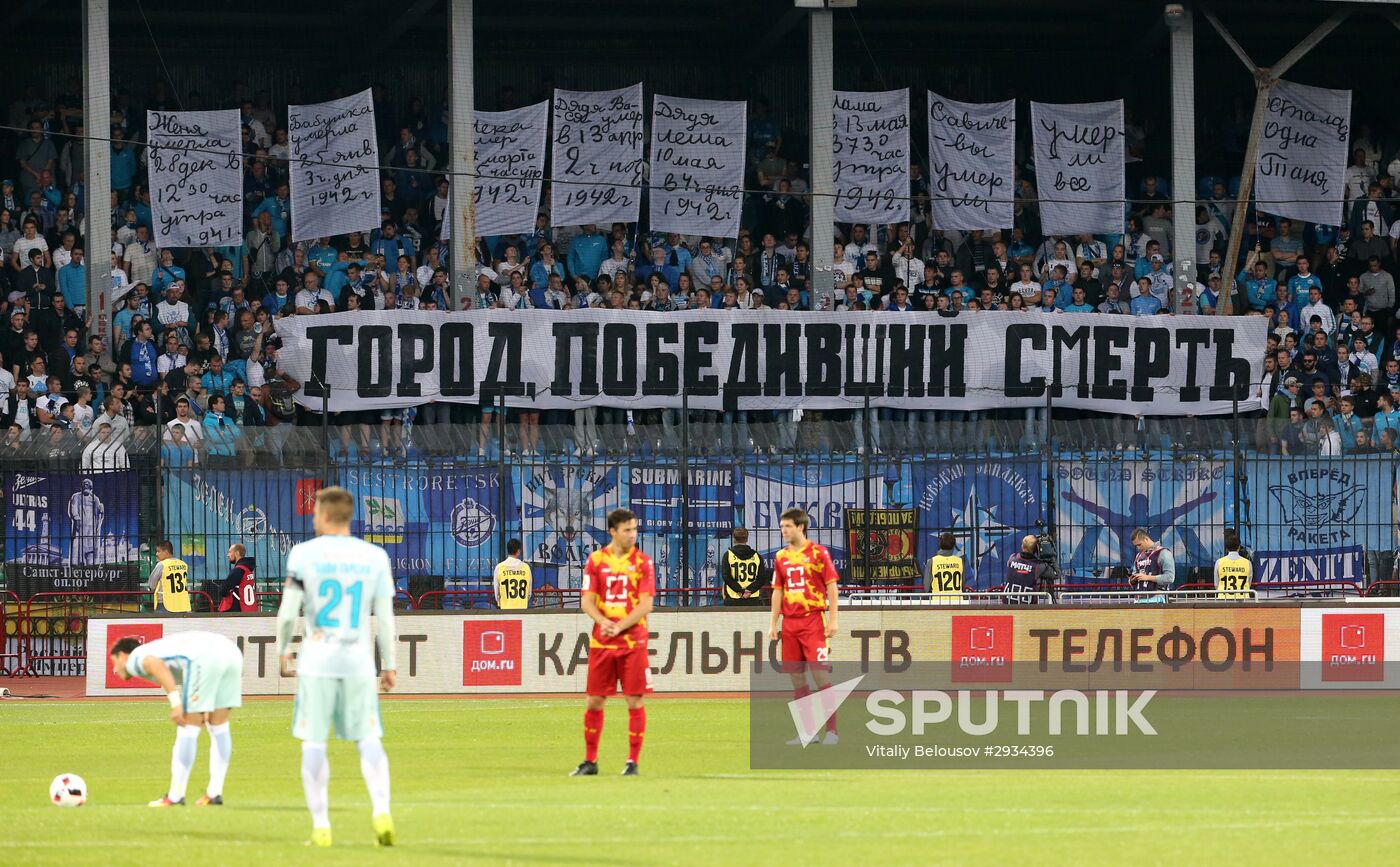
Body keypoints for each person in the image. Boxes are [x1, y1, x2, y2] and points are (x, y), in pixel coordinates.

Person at [276, 486, 397, 848]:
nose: (313, 519)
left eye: (315, 514)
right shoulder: (374, 556)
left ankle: (321, 825)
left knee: (314, 742)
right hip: (358, 660)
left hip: (316, 661)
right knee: (369, 739)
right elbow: (386, 618)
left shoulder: (303, 554)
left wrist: (283, 648)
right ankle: (381, 811)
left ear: (326, 515)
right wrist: (388, 664)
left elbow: (287, 612)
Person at [108, 631, 243, 807]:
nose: (115, 669)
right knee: (219, 726)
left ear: (122, 655)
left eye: (114, 662)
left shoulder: (135, 658)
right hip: (232, 652)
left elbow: (155, 665)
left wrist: (176, 704)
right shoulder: (159, 649)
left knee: (188, 728)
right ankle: (214, 793)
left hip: (204, 658)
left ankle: (175, 796)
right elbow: (166, 675)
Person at [573, 508, 655, 777]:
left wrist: (619, 625)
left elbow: (646, 605)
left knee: (634, 701)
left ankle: (632, 762)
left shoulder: (643, 562)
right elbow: (586, 601)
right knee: (594, 701)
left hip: (633, 642)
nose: (633, 535)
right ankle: (590, 761)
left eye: (634, 529)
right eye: (627, 530)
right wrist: (603, 621)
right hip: (603, 642)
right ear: (613, 531)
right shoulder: (596, 561)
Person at [768, 507, 840, 746]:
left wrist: (833, 619)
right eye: (781, 527)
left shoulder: (819, 553)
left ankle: (832, 731)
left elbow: (831, 586)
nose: (783, 531)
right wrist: (773, 623)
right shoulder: (781, 557)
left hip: (813, 620)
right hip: (790, 623)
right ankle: (807, 732)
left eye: (787, 526)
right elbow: (778, 591)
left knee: (820, 675)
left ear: (801, 527)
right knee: (797, 679)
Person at [1003, 534, 1055, 604]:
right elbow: (1057, 574)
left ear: (1022, 546)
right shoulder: (1038, 566)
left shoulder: (1012, 558)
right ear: (1036, 550)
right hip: (1028, 608)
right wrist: (1052, 557)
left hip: (1007, 605)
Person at [720, 527, 765, 606]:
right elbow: (761, 578)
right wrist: (750, 590)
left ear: (734, 539)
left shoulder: (728, 555)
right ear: (747, 539)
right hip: (752, 597)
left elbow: (726, 577)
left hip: (733, 597)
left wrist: (740, 591)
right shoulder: (757, 556)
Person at [147, 539, 191, 613]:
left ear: (166, 552)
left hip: (166, 604)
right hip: (182, 604)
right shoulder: (183, 564)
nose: (156, 554)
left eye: (158, 551)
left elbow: (152, 585)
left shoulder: (162, 565)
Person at [1128, 528, 1175, 592]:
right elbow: (1134, 574)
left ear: (1146, 539)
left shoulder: (1164, 553)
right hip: (1139, 597)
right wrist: (1132, 580)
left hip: (1157, 597)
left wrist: (1148, 577)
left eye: (1139, 544)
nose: (1138, 548)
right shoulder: (1138, 556)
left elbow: (1170, 578)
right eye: (1136, 546)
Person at [216, 544, 257, 613]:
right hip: (250, 609)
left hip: (238, 610)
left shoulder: (238, 570)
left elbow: (223, 590)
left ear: (237, 553)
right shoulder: (248, 569)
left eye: (230, 552)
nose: (228, 555)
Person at [493, 538, 533, 610]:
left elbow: (497, 594)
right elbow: (529, 593)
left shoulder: (499, 567)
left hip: (505, 610)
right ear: (518, 551)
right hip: (522, 609)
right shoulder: (526, 567)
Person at [924, 531, 965, 597]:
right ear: (954, 545)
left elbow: (926, 588)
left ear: (939, 544)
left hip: (939, 603)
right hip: (957, 603)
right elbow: (963, 587)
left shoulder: (932, 561)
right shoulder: (959, 561)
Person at [1215, 531, 1253, 600]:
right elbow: (1249, 582)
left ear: (1226, 548)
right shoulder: (1247, 563)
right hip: (1243, 599)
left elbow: (1216, 584)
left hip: (1223, 599)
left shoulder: (1219, 562)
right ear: (1239, 547)